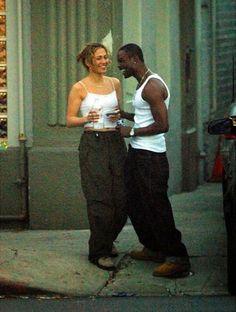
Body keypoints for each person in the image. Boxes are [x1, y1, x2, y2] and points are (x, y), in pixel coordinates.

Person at [116, 43, 191, 278]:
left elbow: (162, 125)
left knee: (157, 206)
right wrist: (124, 116)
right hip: (138, 153)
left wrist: (132, 132)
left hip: (151, 156)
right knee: (134, 202)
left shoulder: (152, 86)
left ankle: (177, 257)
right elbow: (144, 115)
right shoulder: (143, 83)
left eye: (122, 61)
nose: (120, 67)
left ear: (135, 59)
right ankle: (154, 248)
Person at [66, 43, 127, 271]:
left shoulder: (115, 83)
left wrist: (121, 123)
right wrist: (86, 118)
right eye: (99, 58)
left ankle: (106, 240)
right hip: (93, 142)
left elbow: (119, 115)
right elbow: (70, 119)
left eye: (106, 58)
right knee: (99, 198)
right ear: (89, 63)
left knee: (122, 199)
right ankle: (99, 252)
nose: (104, 62)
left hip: (115, 142)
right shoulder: (79, 88)